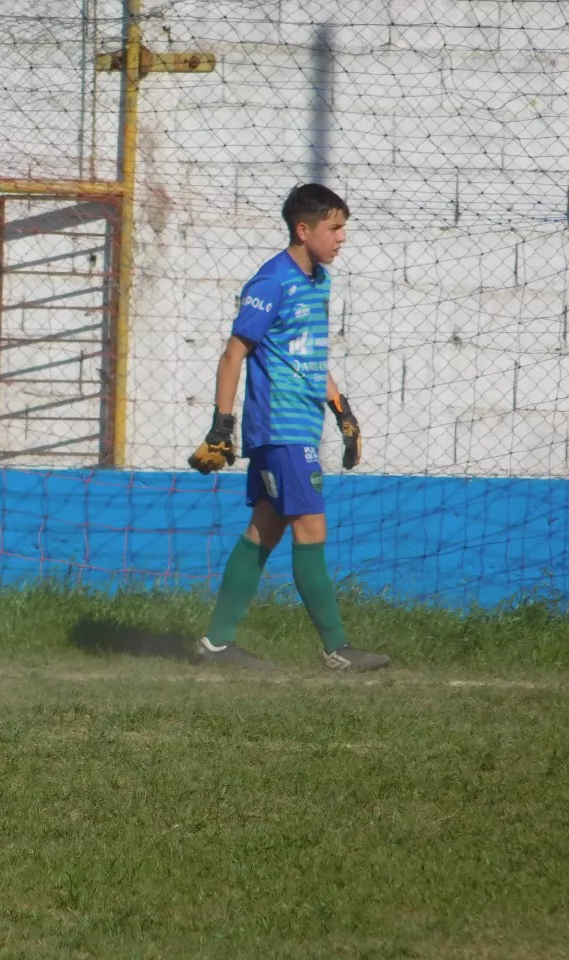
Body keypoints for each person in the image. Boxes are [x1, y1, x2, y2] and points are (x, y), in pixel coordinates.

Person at [188, 183, 389, 673]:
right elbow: (234, 353)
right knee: (311, 525)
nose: (342, 237)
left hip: (300, 425)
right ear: (304, 230)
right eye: (334, 228)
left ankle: (215, 645)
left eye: (344, 227)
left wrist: (343, 414)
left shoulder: (319, 282)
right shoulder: (270, 282)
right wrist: (222, 425)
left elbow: (309, 359)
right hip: (279, 429)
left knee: (264, 529)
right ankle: (336, 649)